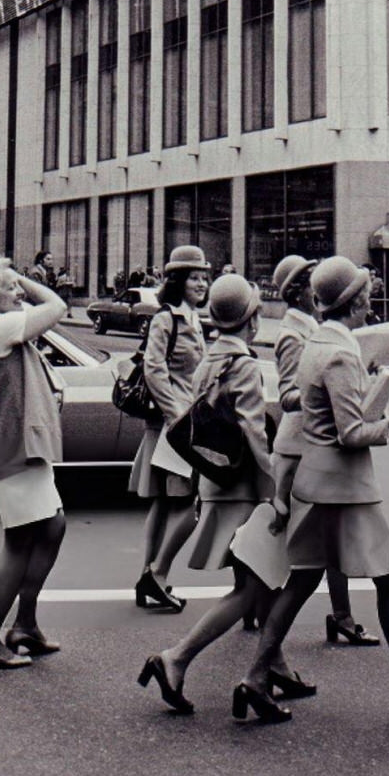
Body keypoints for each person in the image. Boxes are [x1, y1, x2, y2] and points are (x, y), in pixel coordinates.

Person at [237, 257, 389, 727]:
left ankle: (257, 677)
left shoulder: (318, 341)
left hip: (316, 481)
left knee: (300, 581)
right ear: (357, 302)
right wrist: (386, 420)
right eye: (365, 294)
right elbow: (352, 432)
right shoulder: (340, 353)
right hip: (345, 486)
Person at [138, 274, 311, 714]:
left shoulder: (209, 361)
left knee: (256, 581)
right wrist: (277, 488)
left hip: (214, 485)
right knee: (251, 589)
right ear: (253, 318)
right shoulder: (246, 366)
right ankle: (175, 658)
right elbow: (255, 434)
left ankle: (277, 665)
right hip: (244, 491)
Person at [0, 255, 68, 670]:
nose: (19, 291)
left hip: (18, 445)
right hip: (12, 446)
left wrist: (7, 278)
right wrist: (22, 276)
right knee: (20, 541)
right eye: (10, 285)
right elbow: (57, 308)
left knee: (53, 526)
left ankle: (25, 625)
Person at [269, 253, 376, 648]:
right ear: (297, 291)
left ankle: (341, 614)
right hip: (300, 447)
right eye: (310, 281)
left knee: (324, 544)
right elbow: (286, 396)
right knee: (294, 546)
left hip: (313, 444)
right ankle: (256, 609)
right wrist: (325, 393)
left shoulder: (315, 329)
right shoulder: (291, 334)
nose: (318, 289)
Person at [128, 245, 210, 612]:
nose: (202, 283)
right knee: (183, 504)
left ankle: (149, 576)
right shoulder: (167, 319)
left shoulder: (191, 318)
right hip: (173, 427)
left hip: (179, 423)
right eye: (194, 277)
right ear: (177, 280)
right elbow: (154, 370)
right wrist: (178, 417)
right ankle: (155, 575)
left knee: (166, 502)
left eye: (205, 277)